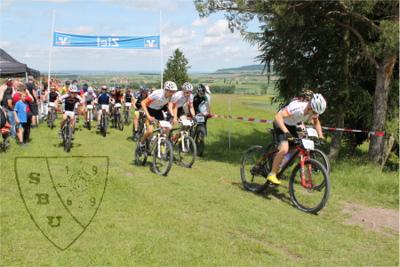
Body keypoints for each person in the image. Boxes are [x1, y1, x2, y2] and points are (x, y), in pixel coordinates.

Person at [267, 93, 327, 185]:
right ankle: (272, 174)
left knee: (297, 147)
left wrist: (321, 136)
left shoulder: (314, 110)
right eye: (314, 112)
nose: (315, 114)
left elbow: (316, 122)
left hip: (292, 124)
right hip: (280, 123)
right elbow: (278, 117)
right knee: (284, 149)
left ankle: (280, 163)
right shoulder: (298, 108)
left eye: (317, 113)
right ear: (310, 106)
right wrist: (286, 133)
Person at [138, 81, 177, 150]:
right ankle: (141, 143)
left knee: (167, 128)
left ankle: (159, 141)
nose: (172, 93)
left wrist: (174, 117)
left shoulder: (172, 96)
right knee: (150, 130)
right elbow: (143, 102)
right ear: (166, 90)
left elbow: (172, 106)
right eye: (171, 91)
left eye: (174, 91)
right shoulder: (157, 94)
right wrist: (148, 116)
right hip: (149, 110)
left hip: (159, 111)